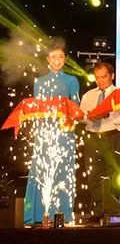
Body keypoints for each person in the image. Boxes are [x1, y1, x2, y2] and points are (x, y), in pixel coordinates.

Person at [24, 42, 80, 225]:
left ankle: (64, 213)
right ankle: (37, 215)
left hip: (64, 133)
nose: (57, 60)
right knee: (42, 170)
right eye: (53, 57)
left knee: (63, 171)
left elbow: (76, 107)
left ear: (65, 59)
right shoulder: (39, 82)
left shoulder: (72, 80)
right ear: (48, 59)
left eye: (61, 57)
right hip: (45, 133)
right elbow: (37, 109)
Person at [78, 62, 120, 221]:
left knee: (113, 173)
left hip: (112, 135)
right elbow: (81, 118)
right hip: (93, 137)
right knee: (93, 175)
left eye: (104, 77)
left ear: (112, 76)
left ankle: (112, 209)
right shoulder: (88, 95)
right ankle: (98, 208)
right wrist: (89, 117)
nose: (100, 81)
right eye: (97, 78)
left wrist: (107, 113)